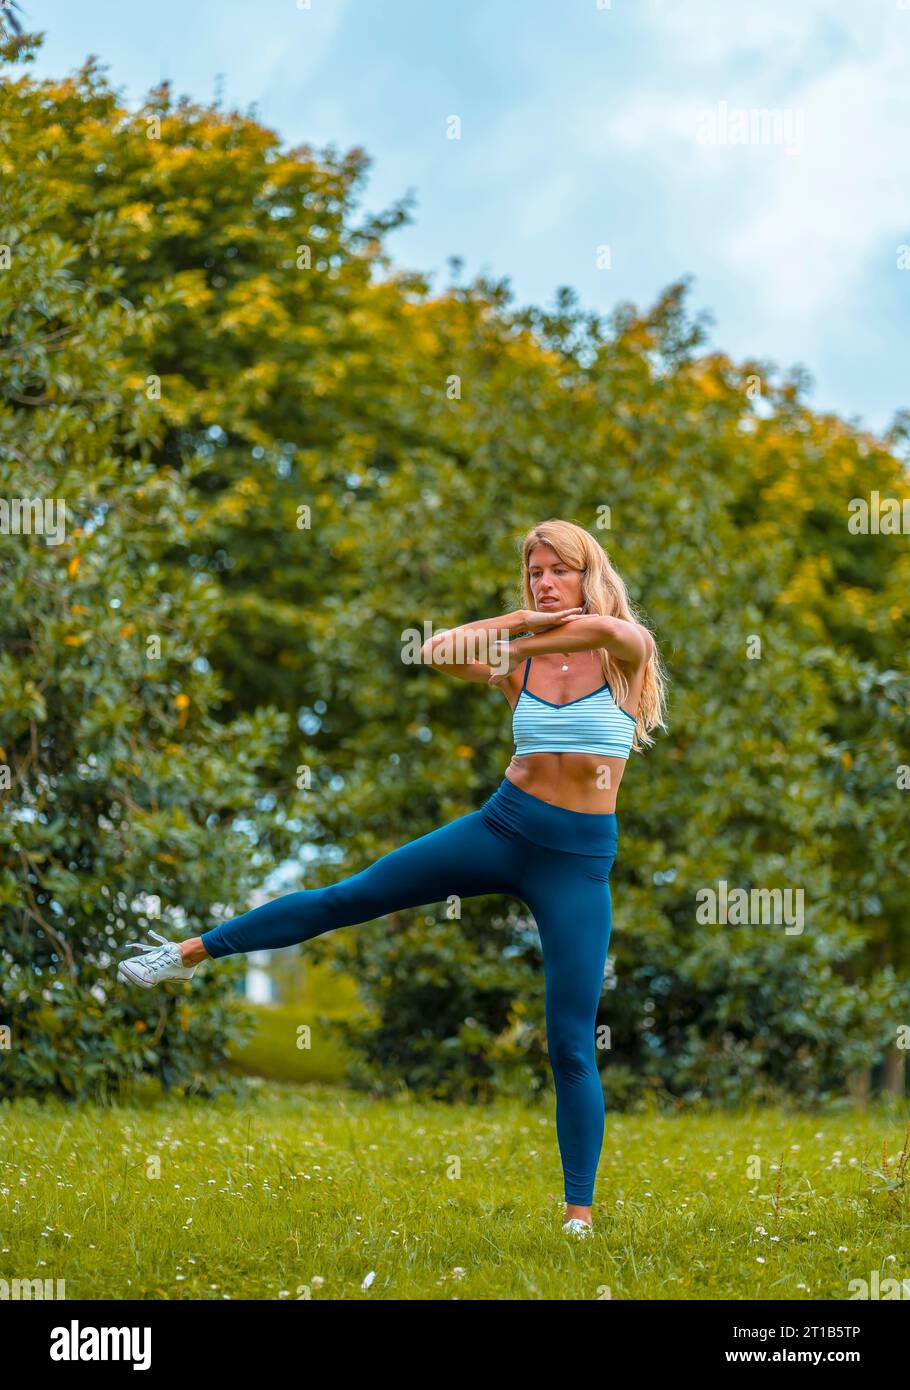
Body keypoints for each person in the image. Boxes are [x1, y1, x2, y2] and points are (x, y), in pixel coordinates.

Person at [118, 517, 667, 1236]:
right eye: (534, 571)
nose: (544, 581)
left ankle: (578, 1213)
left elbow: (595, 633)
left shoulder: (627, 645)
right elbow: (438, 651)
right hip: (502, 829)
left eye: (557, 570)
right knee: (349, 896)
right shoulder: (522, 659)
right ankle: (187, 954)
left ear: (587, 571)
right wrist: (522, 621)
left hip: (577, 861)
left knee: (569, 1036)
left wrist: (528, 632)